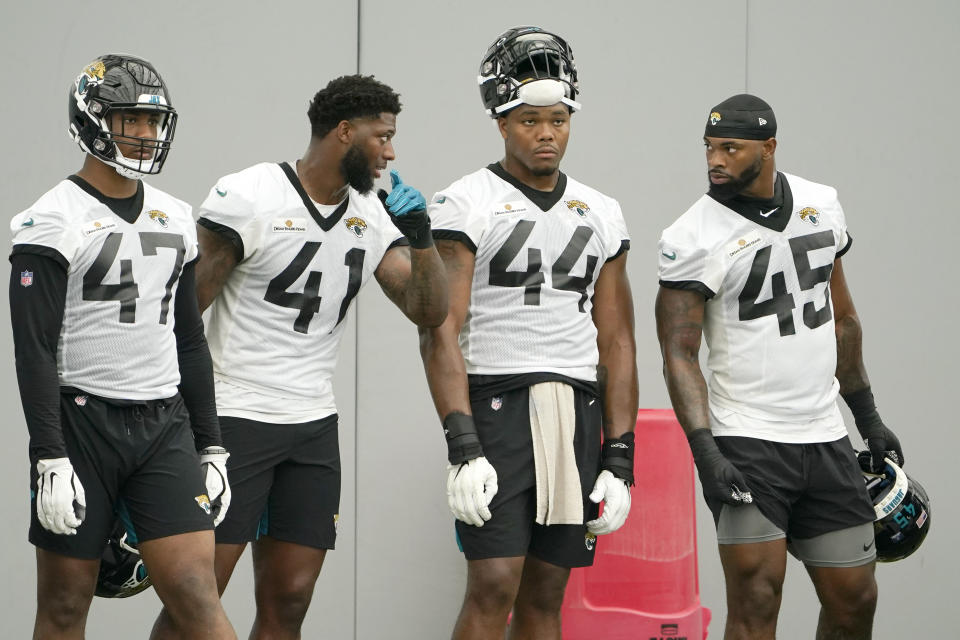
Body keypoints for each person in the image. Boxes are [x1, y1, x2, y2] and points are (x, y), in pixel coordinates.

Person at [150, 74, 448, 639]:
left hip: (312, 425)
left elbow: (427, 310)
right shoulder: (254, 194)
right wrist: (167, 427)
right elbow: (183, 317)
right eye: (382, 136)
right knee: (197, 600)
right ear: (344, 132)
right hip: (234, 415)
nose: (391, 151)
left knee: (290, 600)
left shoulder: (371, 212)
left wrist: (422, 235)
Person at [656, 94, 904, 639]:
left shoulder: (823, 202)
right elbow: (679, 352)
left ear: (768, 148)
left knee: (856, 599)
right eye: (709, 147)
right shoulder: (691, 235)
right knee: (756, 602)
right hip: (747, 439)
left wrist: (868, 417)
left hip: (824, 434)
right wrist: (706, 452)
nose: (714, 160)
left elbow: (843, 319)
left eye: (730, 148)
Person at [420, 27, 639, 639]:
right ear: (501, 122)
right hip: (497, 402)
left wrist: (622, 454)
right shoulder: (468, 201)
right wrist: (461, 443)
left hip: (576, 408)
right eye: (529, 120)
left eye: (558, 119)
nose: (546, 133)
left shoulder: (602, 211)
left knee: (547, 594)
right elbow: (441, 331)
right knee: (493, 585)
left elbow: (617, 341)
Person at [9, 54, 236, 639]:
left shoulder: (176, 215)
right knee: (64, 606)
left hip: (164, 425)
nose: (144, 134)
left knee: (196, 595)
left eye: (151, 121)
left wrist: (212, 445)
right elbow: (33, 347)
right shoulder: (51, 218)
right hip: (82, 426)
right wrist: (48, 456)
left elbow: (189, 338)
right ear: (92, 121)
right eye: (129, 120)